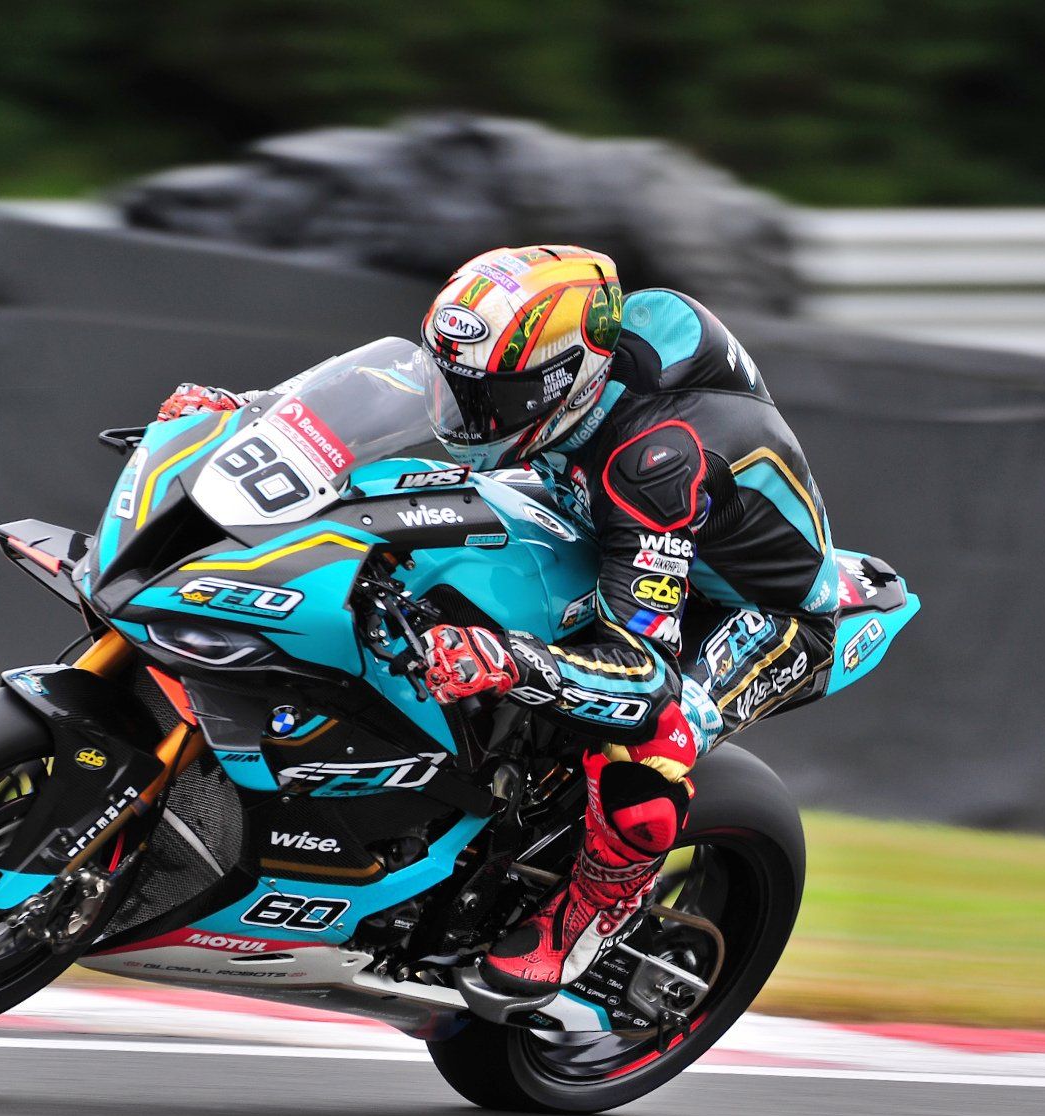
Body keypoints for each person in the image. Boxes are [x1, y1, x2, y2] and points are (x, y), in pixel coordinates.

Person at [156, 245, 839, 996]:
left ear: (566, 381)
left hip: (751, 610)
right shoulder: (548, 369)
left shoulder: (654, 462)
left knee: (651, 739)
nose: (462, 413)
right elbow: (390, 386)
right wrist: (250, 413)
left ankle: (592, 913)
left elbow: (643, 676)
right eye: (456, 387)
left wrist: (513, 658)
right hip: (597, 509)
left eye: (488, 398)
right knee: (409, 531)